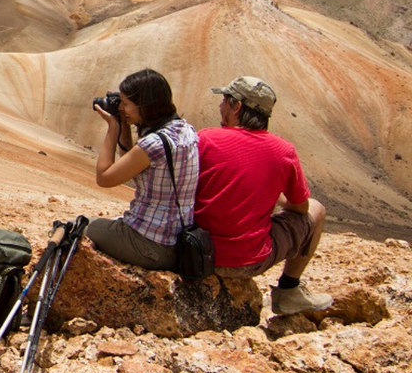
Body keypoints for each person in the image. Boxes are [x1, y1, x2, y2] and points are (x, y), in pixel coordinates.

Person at [193, 76, 332, 315]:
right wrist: (275, 197)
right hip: (249, 262)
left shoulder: (205, 138)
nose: (220, 106)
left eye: (225, 100)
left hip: (197, 253)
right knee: (316, 209)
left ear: (237, 107)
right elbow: (301, 207)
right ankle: (288, 290)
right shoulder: (283, 150)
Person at [87, 68, 199, 270]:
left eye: (126, 104)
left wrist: (113, 128)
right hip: (174, 243)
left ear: (145, 105)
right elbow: (131, 161)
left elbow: (104, 178)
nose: (122, 108)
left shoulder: (154, 144)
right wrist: (124, 123)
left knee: (74, 227)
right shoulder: (184, 130)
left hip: (147, 243)